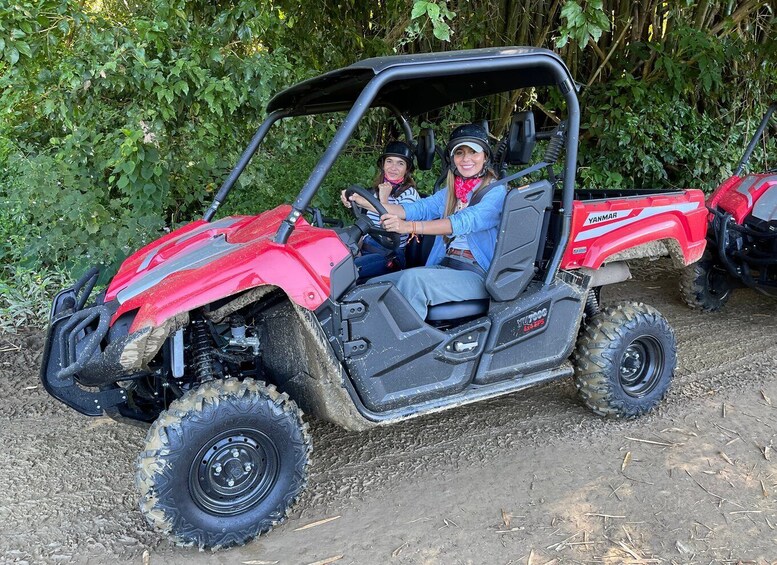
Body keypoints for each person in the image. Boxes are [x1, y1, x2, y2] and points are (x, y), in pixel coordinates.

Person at [347, 123, 506, 320]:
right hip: (445, 267)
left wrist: (409, 227)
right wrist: (361, 200)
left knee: (414, 282)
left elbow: (462, 221)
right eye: (460, 153)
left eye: (473, 152)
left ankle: (408, 348)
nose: (466, 159)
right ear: (452, 159)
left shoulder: (495, 192)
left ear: (485, 157)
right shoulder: (451, 192)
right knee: (373, 287)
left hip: (477, 274)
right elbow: (415, 209)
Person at [340, 141, 420, 281]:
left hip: (390, 254)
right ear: (383, 164)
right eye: (389, 161)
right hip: (365, 248)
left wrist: (384, 199)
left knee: (343, 274)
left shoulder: (409, 195)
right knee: (330, 261)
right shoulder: (376, 191)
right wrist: (349, 198)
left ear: (407, 169)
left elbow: (390, 231)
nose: (393, 167)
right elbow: (365, 223)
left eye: (400, 163)